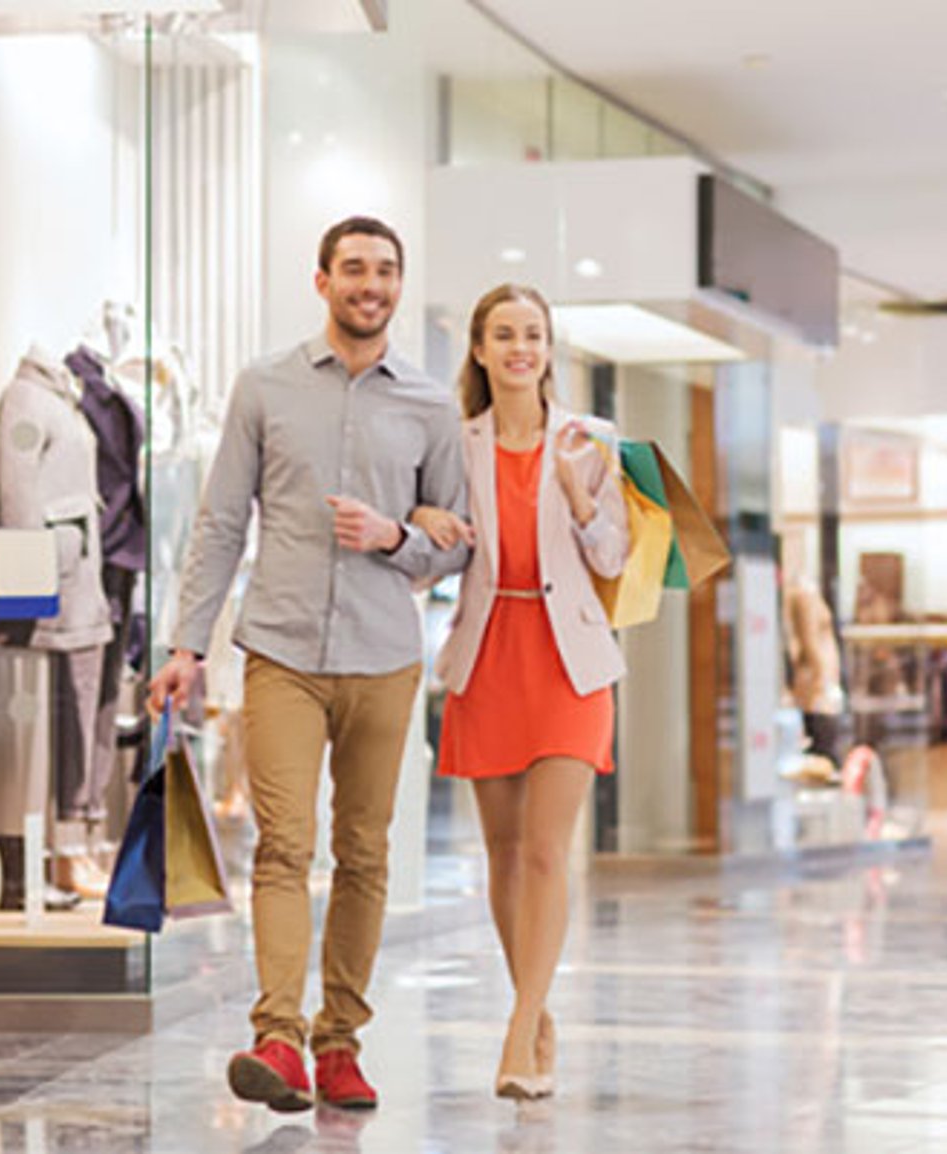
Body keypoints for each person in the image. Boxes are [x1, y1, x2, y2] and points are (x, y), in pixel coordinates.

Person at [149, 216, 468, 1113]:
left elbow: (456, 543)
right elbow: (219, 524)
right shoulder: (266, 386)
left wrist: (396, 535)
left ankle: (341, 1047)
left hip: (383, 658)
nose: (372, 284)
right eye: (355, 269)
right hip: (280, 650)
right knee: (284, 846)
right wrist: (187, 646)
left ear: (399, 287)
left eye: (387, 271)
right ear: (322, 281)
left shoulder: (430, 405)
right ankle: (278, 1040)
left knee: (364, 854)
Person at [409, 283, 628, 1100]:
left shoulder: (590, 439)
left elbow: (612, 558)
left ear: (548, 347)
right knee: (500, 856)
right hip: (488, 648)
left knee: (545, 850)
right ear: (478, 348)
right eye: (503, 334)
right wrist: (424, 521)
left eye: (532, 334)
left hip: (569, 658)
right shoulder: (453, 441)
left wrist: (578, 499)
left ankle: (519, 1025)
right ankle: (534, 1016)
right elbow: (435, 547)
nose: (518, 348)